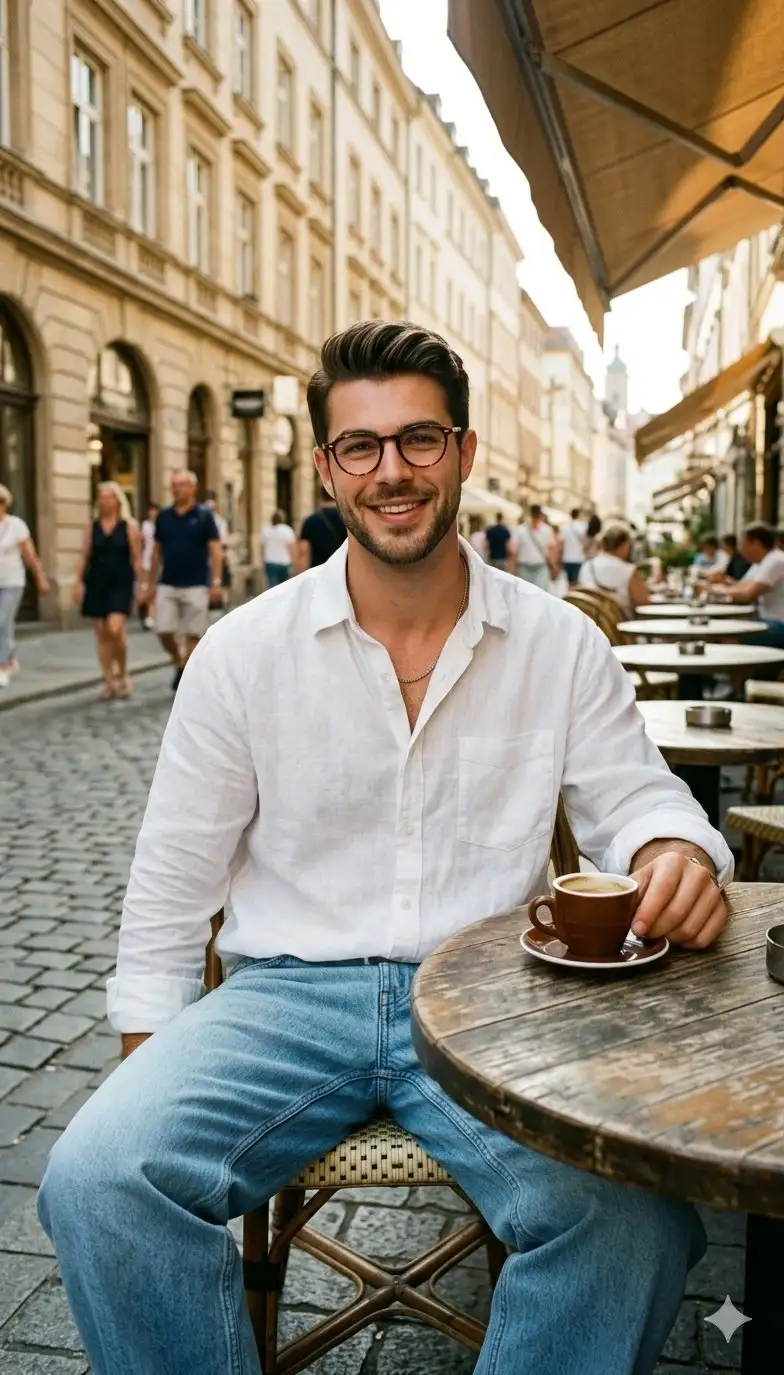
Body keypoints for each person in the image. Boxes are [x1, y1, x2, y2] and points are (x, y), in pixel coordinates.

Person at [37, 320, 732, 1375]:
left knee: (634, 1221)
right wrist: (154, 1067)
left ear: (460, 450)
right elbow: (172, 880)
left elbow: (640, 802)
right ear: (326, 466)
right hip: (281, 1001)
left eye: (418, 440)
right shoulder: (242, 653)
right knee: (95, 1177)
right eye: (359, 446)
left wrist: (675, 850)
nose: (391, 471)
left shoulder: (557, 643)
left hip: (494, 1005)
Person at [144, 469, 222, 692]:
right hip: (168, 581)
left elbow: (215, 551)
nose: (177, 489)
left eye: (181, 485)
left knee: (193, 633)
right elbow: (157, 551)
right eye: (174, 485)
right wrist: (149, 584)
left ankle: (186, 671)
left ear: (192, 488)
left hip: (197, 583)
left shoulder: (204, 515)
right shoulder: (164, 516)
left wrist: (215, 582)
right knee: (163, 629)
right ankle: (178, 661)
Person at [72, 482, 142, 700]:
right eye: (102, 497)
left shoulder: (128, 526)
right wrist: (77, 582)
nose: (105, 501)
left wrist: (142, 585)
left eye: (110, 497)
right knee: (101, 632)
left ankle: (122, 673)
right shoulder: (91, 527)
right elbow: (84, 555)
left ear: (118, 500)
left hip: (120, 582)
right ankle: (108, 680)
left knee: (115, 628)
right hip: (96, 582)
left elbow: (137, 558)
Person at [703, 521, 784, 647]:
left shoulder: (775, 560)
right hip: (764, 620)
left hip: (778, 624)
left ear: (755, 543)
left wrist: (712, 590)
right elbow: (742, 586)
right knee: (719, 626)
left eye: (742, 544)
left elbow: (748, 594)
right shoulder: (761, 562)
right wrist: (723, 583)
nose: (740, 550)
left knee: (725, 635)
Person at [0, 483, 49, 689]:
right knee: (5, 624)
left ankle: (2, 667)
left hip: (12, 582)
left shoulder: (16, 525)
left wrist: (40, 578)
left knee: (1, 622)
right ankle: (10, 658)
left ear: (4, 504)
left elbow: (30, 555)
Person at [578, 519, 652, 617]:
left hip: (591, 624)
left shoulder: (586, 567)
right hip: (620, 628)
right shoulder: (628, 571)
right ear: (624, 545)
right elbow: (644, 603)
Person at [295, 487, 346, 571]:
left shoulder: (311, 521)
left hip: (318, 573)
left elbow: (303, 552)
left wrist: (300, 577)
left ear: (321, 497)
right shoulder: (348, 521)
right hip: (343, 573)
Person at [507, 503, 556, 589]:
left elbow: (552, 548)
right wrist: (512, 569)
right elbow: (513, 551)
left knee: (540, 593)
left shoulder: (547, 529)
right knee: (525, 593)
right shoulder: (521, 529)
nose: (536, 519)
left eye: (538, 517)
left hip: (540, 567)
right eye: (535, 517)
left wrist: (553, 566)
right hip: (524, 567)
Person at [138, 501, 160, 630]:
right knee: (146, 587)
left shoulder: (161, 525)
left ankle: (151, 616)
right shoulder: (145, 525)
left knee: (154, 590)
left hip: (158, 560)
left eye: (154, 510)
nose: (152, 513)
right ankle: (147, 615)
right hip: (146, 558)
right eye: (150, 510)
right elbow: (141, 543)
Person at [261, 509, 296, 587]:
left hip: (270, 562)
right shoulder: (287, 530)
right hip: (284, 563)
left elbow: (263, 548)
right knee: (284, 587)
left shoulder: (266, 530)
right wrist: (294, 561)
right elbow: (291, 548)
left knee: (272, 587)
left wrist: (262, 561)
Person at [561, 507, 587, 583]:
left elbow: (562, 542)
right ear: (578, 515)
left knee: (568, 581)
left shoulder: (565, 527)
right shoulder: (582, 526)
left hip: (567, 558)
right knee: (576, 581)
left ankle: (569, 593)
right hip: (578, 558)